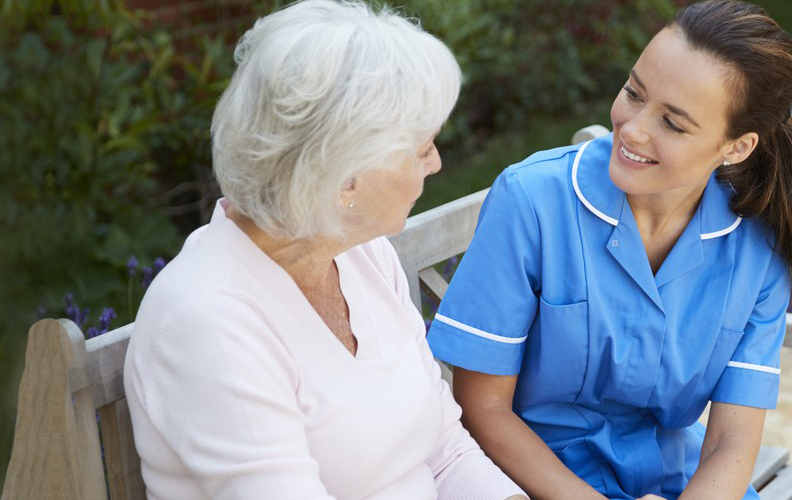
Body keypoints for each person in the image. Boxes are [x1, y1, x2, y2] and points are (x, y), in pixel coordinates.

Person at [122, 1, 525, 499]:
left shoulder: (362, 254)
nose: (437, 163)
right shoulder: (209, 322)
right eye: (422, 148)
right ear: (344, 177)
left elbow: (445, 450)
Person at [425, 1, 792, 499]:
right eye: (633, 93)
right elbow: (482, 408)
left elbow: (731, 438)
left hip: (673, 478)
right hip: (529, 481)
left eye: (673, 124)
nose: (633, 128)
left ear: (737, 146)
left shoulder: (758, 249)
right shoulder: (532, 202)